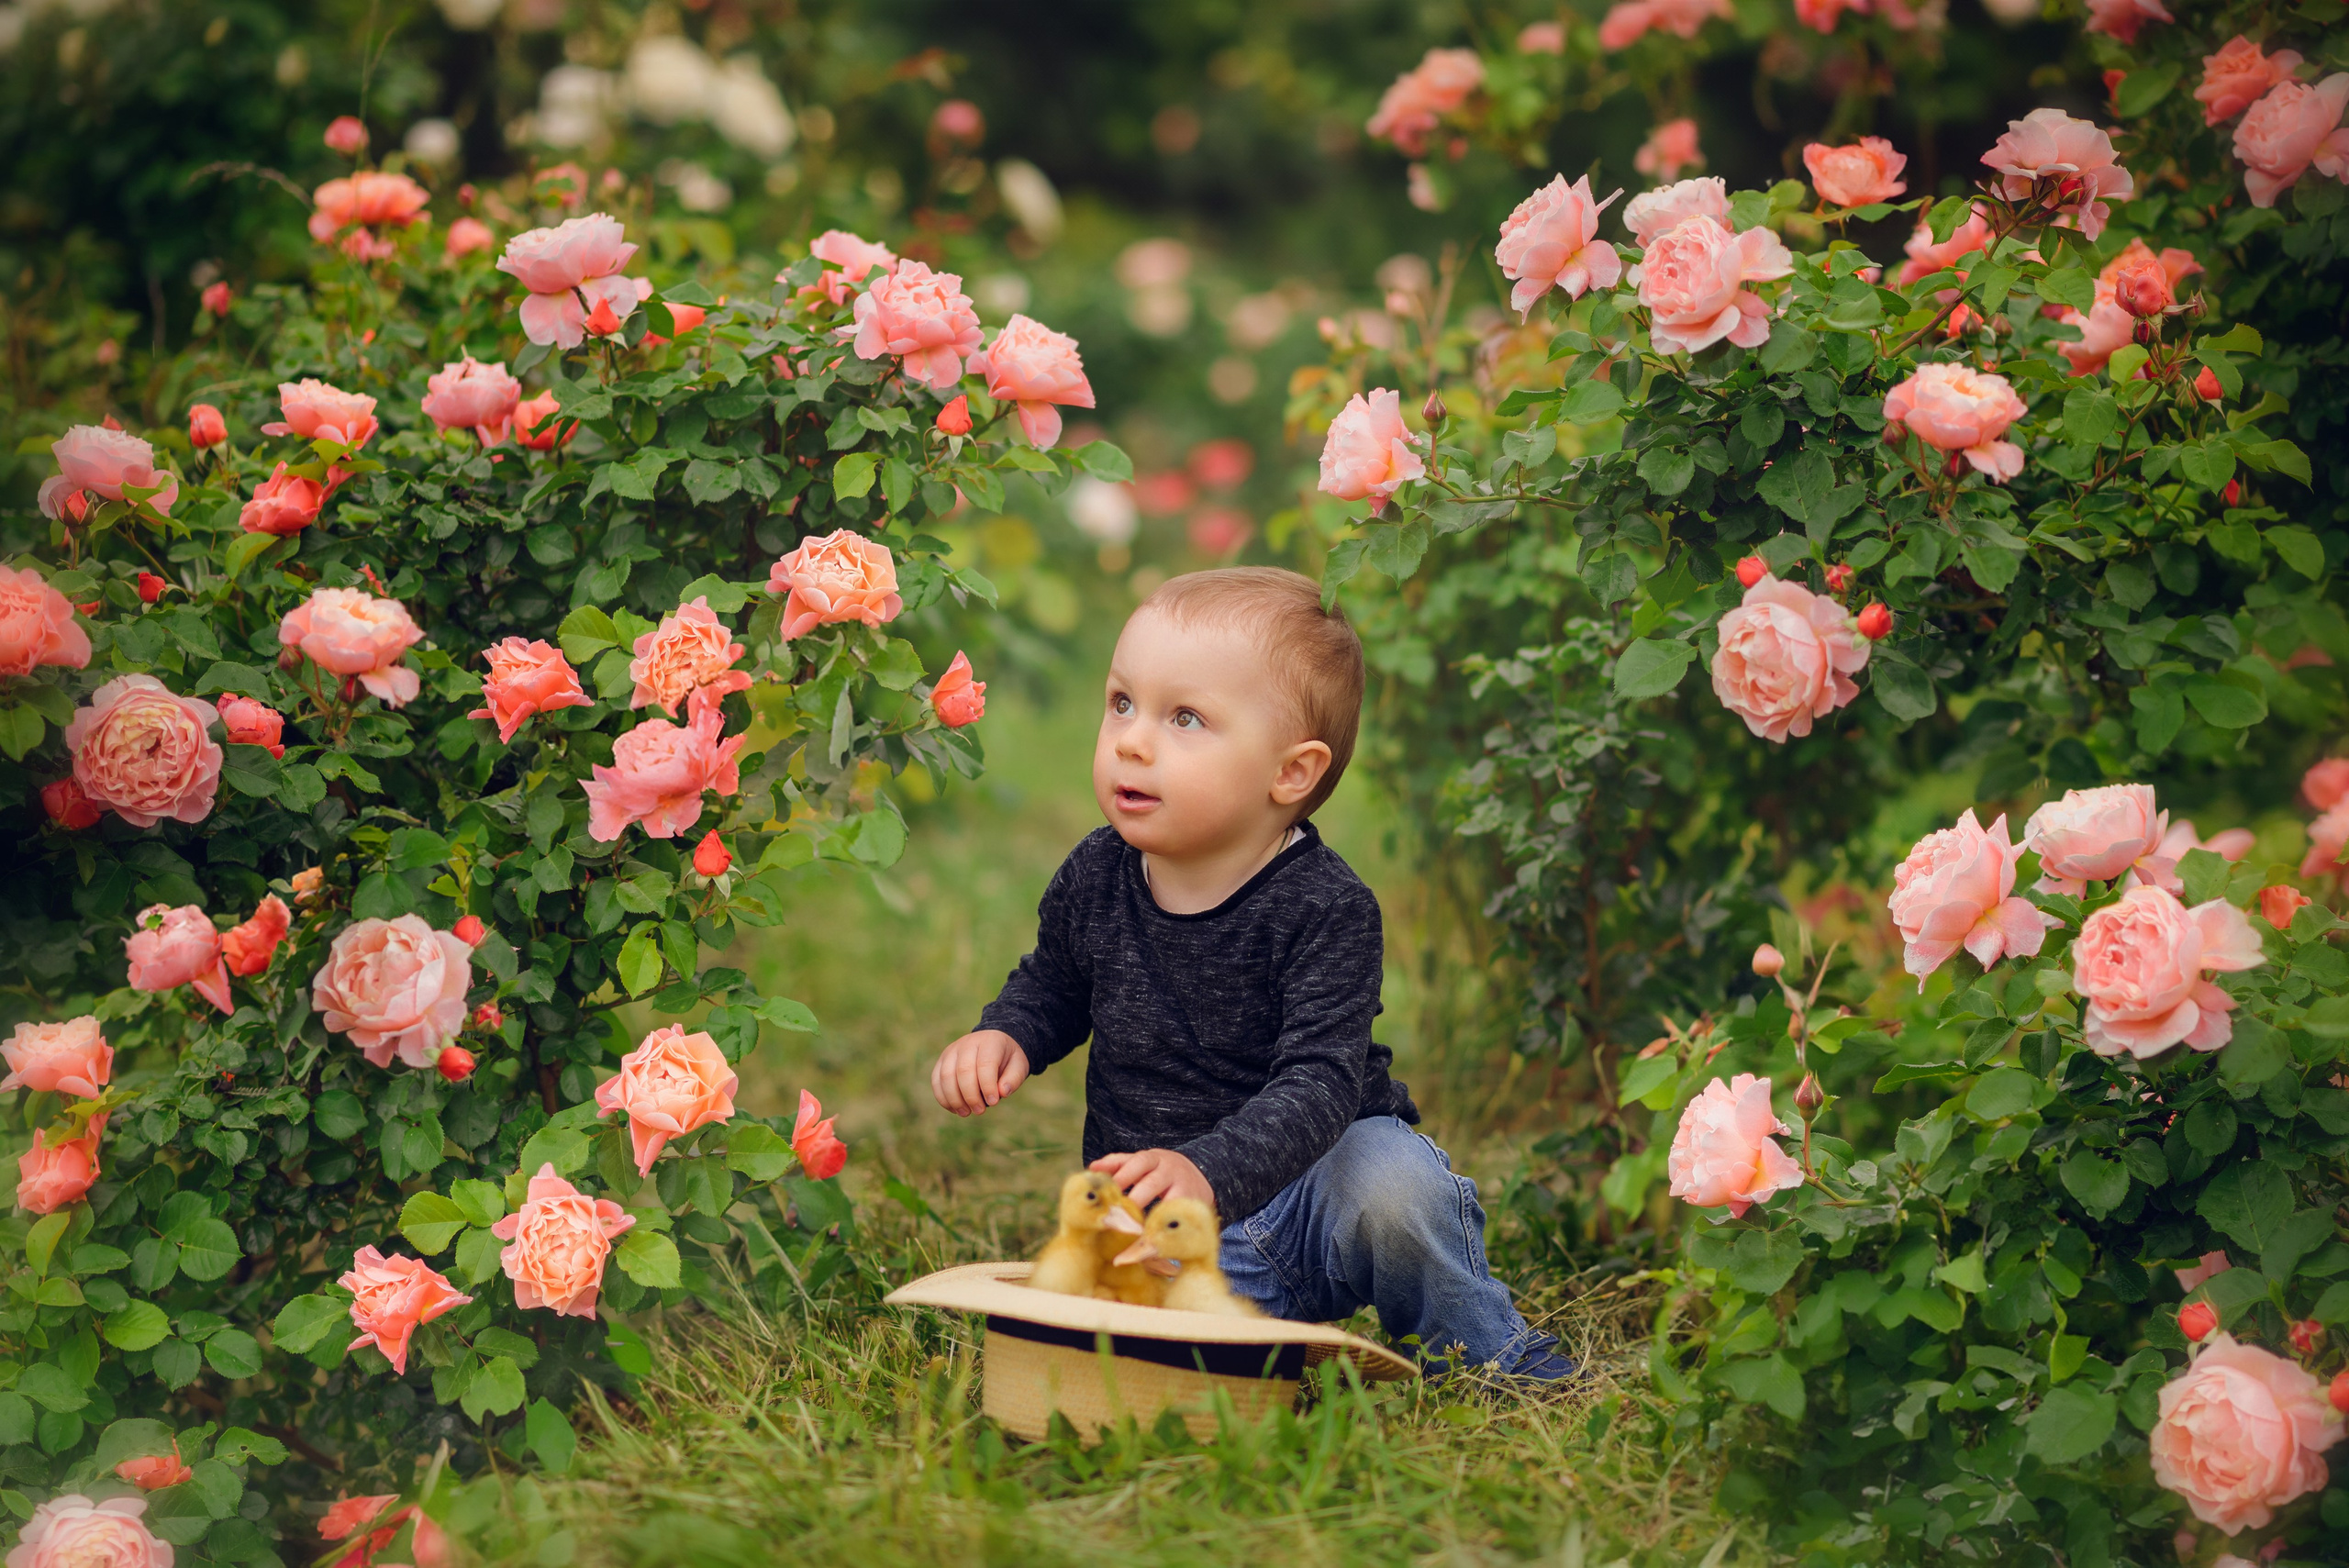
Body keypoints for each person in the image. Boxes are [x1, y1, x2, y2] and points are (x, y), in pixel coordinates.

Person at [930, 566, 1571, 1379]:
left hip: (1319, 1192)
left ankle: (1489, 1352)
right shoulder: (1098, 874)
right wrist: (1007, 1032)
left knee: (1398, 1187)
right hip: (1173, 1227)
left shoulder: (1326, 907)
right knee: (1133, 1342)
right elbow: (1055, 981)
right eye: (1122, 701)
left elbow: (1321, 1082)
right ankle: (1248, 1345)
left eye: (1185, 717)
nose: (1131, 737)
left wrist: (1209, 1168)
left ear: (1291, 773)